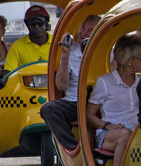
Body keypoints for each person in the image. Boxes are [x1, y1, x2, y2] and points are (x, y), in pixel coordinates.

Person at [85, 33, 141, 166]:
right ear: (129, 61)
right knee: (125, 135)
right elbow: (89, 115)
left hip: (137, 132)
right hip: (109, 134)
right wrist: (107, 125)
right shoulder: (105, 82)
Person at [40, 15, 101, 154]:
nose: (83, 33)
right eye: (83, 28)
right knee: (48, 109)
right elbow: (61, 86)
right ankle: (74, 149)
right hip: (75, 101)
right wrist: (65, 55)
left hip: (101, 101)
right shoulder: (71, 50)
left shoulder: (108, 53)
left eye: (90, 30)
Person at [5, 4, 53, 69]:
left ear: (46, 22)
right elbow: (9, 72)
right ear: (27, 25)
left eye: (40, 22)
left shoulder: (57, 43)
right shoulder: (17, 47)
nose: (36, 26)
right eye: (33, 23)